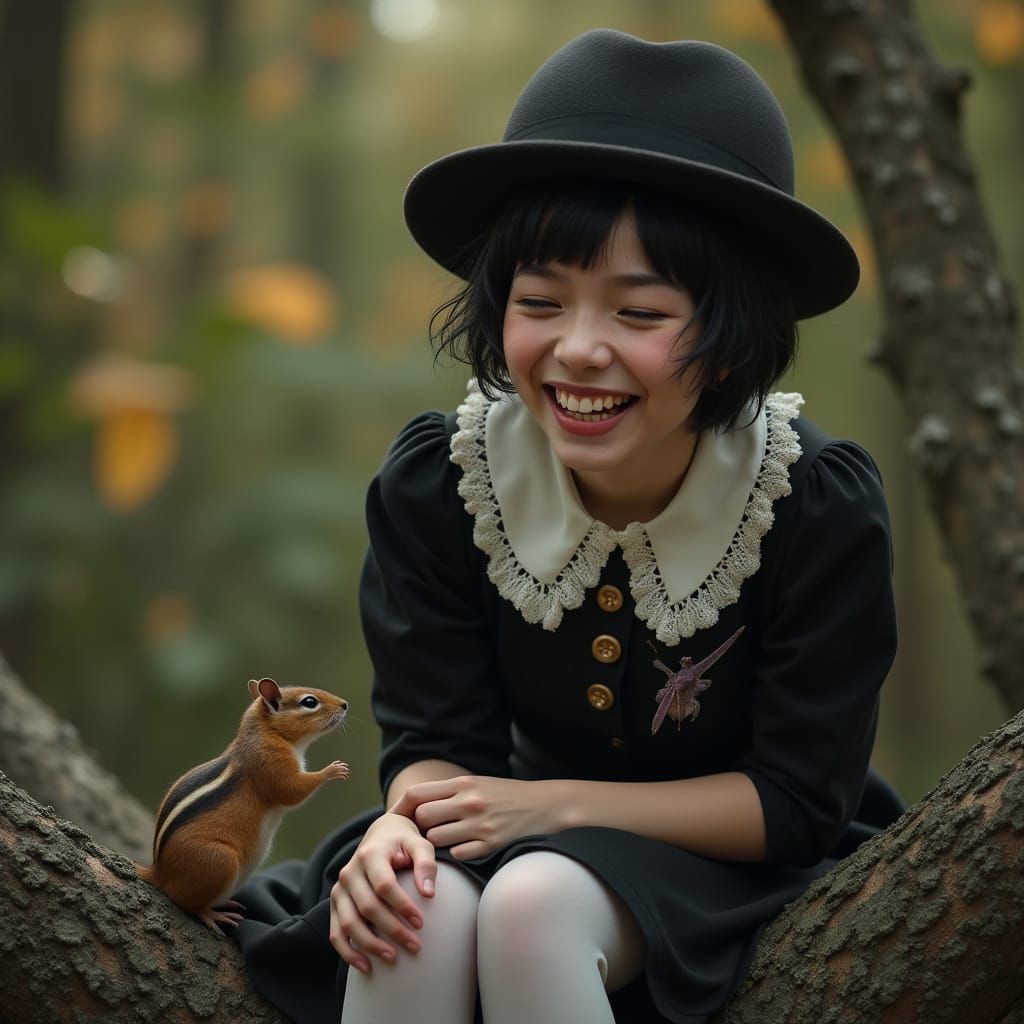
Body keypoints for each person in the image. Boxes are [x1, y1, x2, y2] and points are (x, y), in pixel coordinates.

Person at [233, 28, 903, 1024]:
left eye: (639, 314)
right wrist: (400, 827)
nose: (579, 349)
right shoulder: (445, 484)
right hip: (503, 835)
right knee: (411, 907)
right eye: (540, 300)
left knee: (533, 906)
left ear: (731, 339)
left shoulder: (811, 506)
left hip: (732, 867)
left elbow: (799, 800)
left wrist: (555, 806)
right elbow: (435, 741)